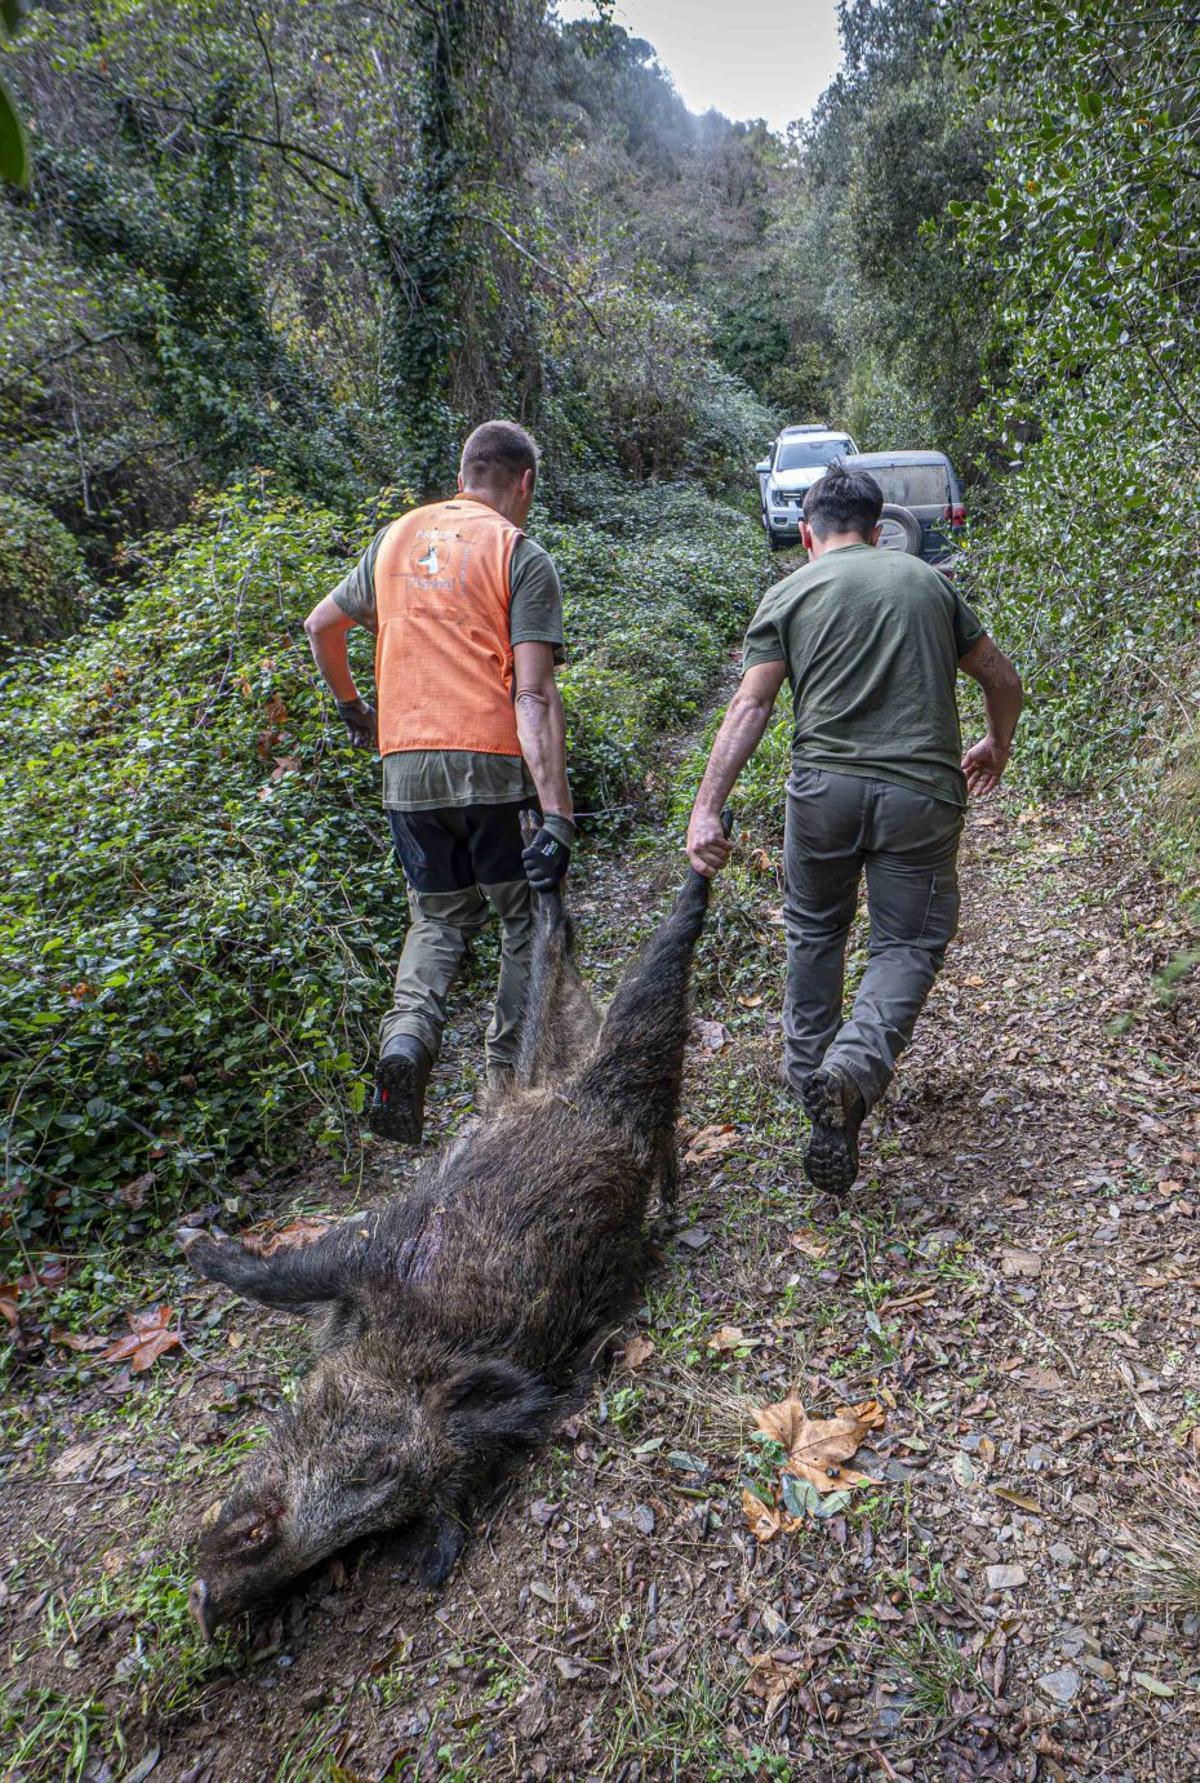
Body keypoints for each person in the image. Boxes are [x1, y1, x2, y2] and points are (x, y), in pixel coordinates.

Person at [685, 460, 1023, 1193]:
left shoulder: (789, 589)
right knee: (907, 940)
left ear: (808, 534)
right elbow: (1002, 678)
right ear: (878, 531)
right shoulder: (928, 582)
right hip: (920, 795)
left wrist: (707, 805)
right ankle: (852, 1069)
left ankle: (812, 1077)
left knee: (814, 927)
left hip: (822, 795)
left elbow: (751, 707)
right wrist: (995, 743)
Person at [303, 420, 573, 1143]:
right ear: (523, 484)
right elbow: (535, 696)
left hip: (406, 764)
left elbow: (320, 626)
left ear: (463, 474)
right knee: (522, 916)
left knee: (438, 916)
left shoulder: (394, 540)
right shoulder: (520, 552)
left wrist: (355, 709)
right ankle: (503, 1084)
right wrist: (557, 815)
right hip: (490, 760)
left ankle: (406, 1044)